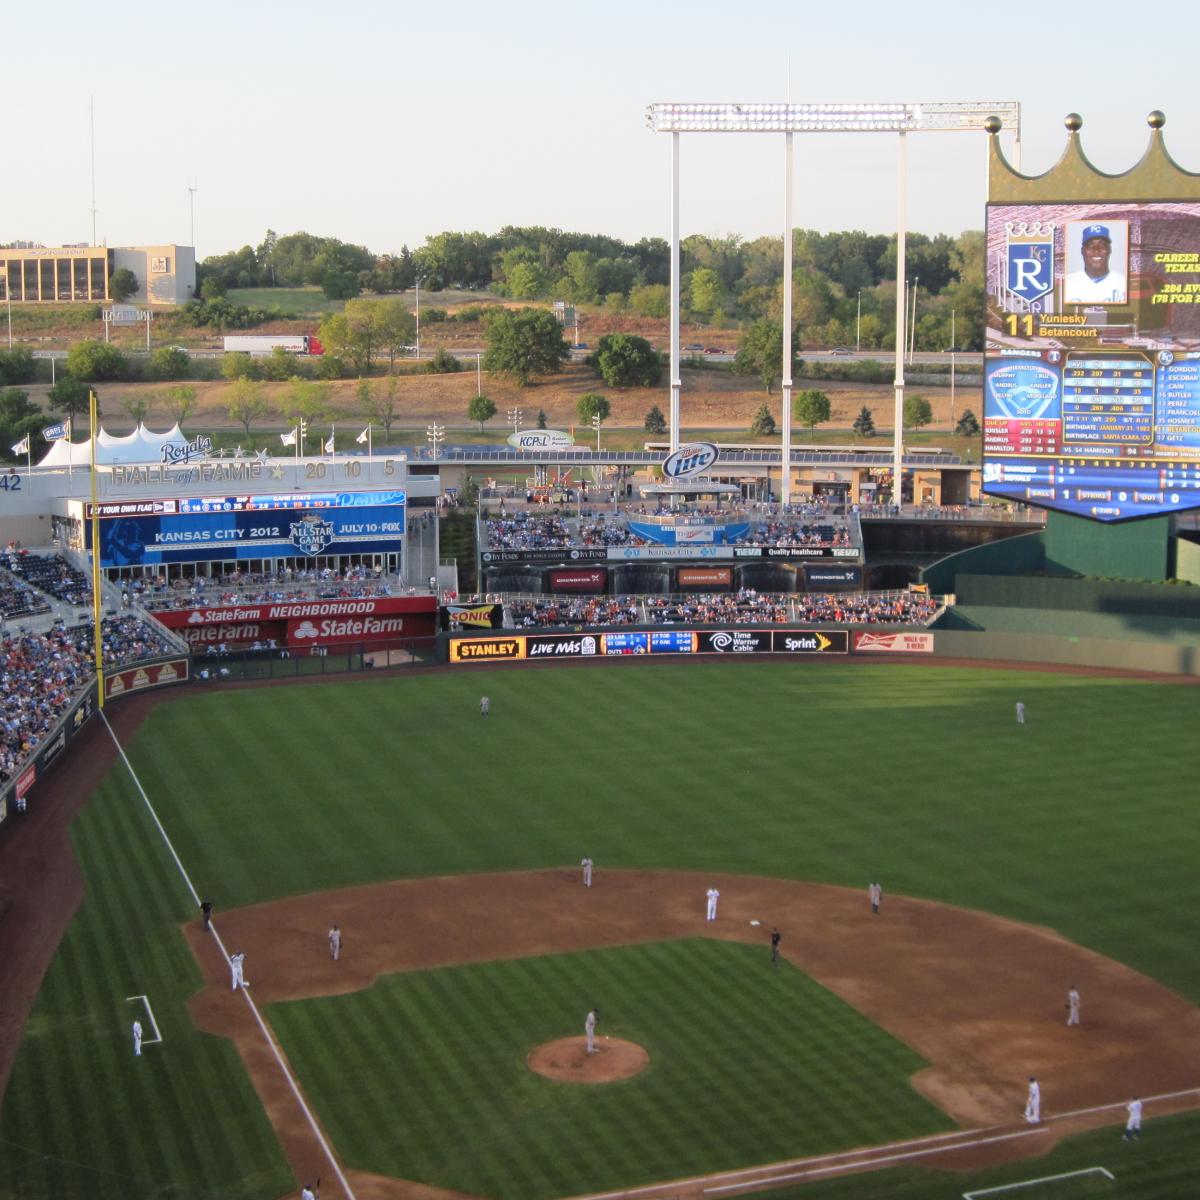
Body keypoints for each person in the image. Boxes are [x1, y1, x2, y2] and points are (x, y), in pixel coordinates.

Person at [1064, 222, 1127, 305]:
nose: (1096, 250)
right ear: (1082, 251)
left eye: (1102, 245)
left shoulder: (1123, 283)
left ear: (1109, 250)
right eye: (1090, 245)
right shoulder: (1067, 284)